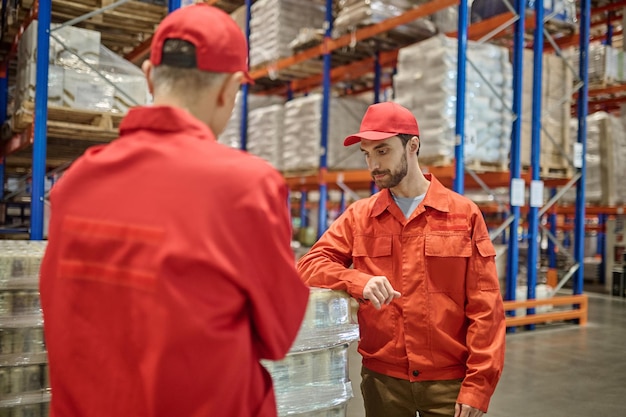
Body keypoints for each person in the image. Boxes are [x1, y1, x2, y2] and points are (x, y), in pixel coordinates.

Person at [40, 5, 309, 417]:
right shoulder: (247, 189)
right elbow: (279, 335)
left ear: (149, 75)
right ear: (230, 88)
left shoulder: (74, 185)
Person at [297, 102, 506, 417]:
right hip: (384, 383)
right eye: (367, 154)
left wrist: (478, 385)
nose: (373, 165)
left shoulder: (462, 215)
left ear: (413, 146)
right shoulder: (360, 216)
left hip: (447, 383)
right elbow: (308, 266)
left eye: (382, 151)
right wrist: (358, 280)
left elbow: (486, 307)